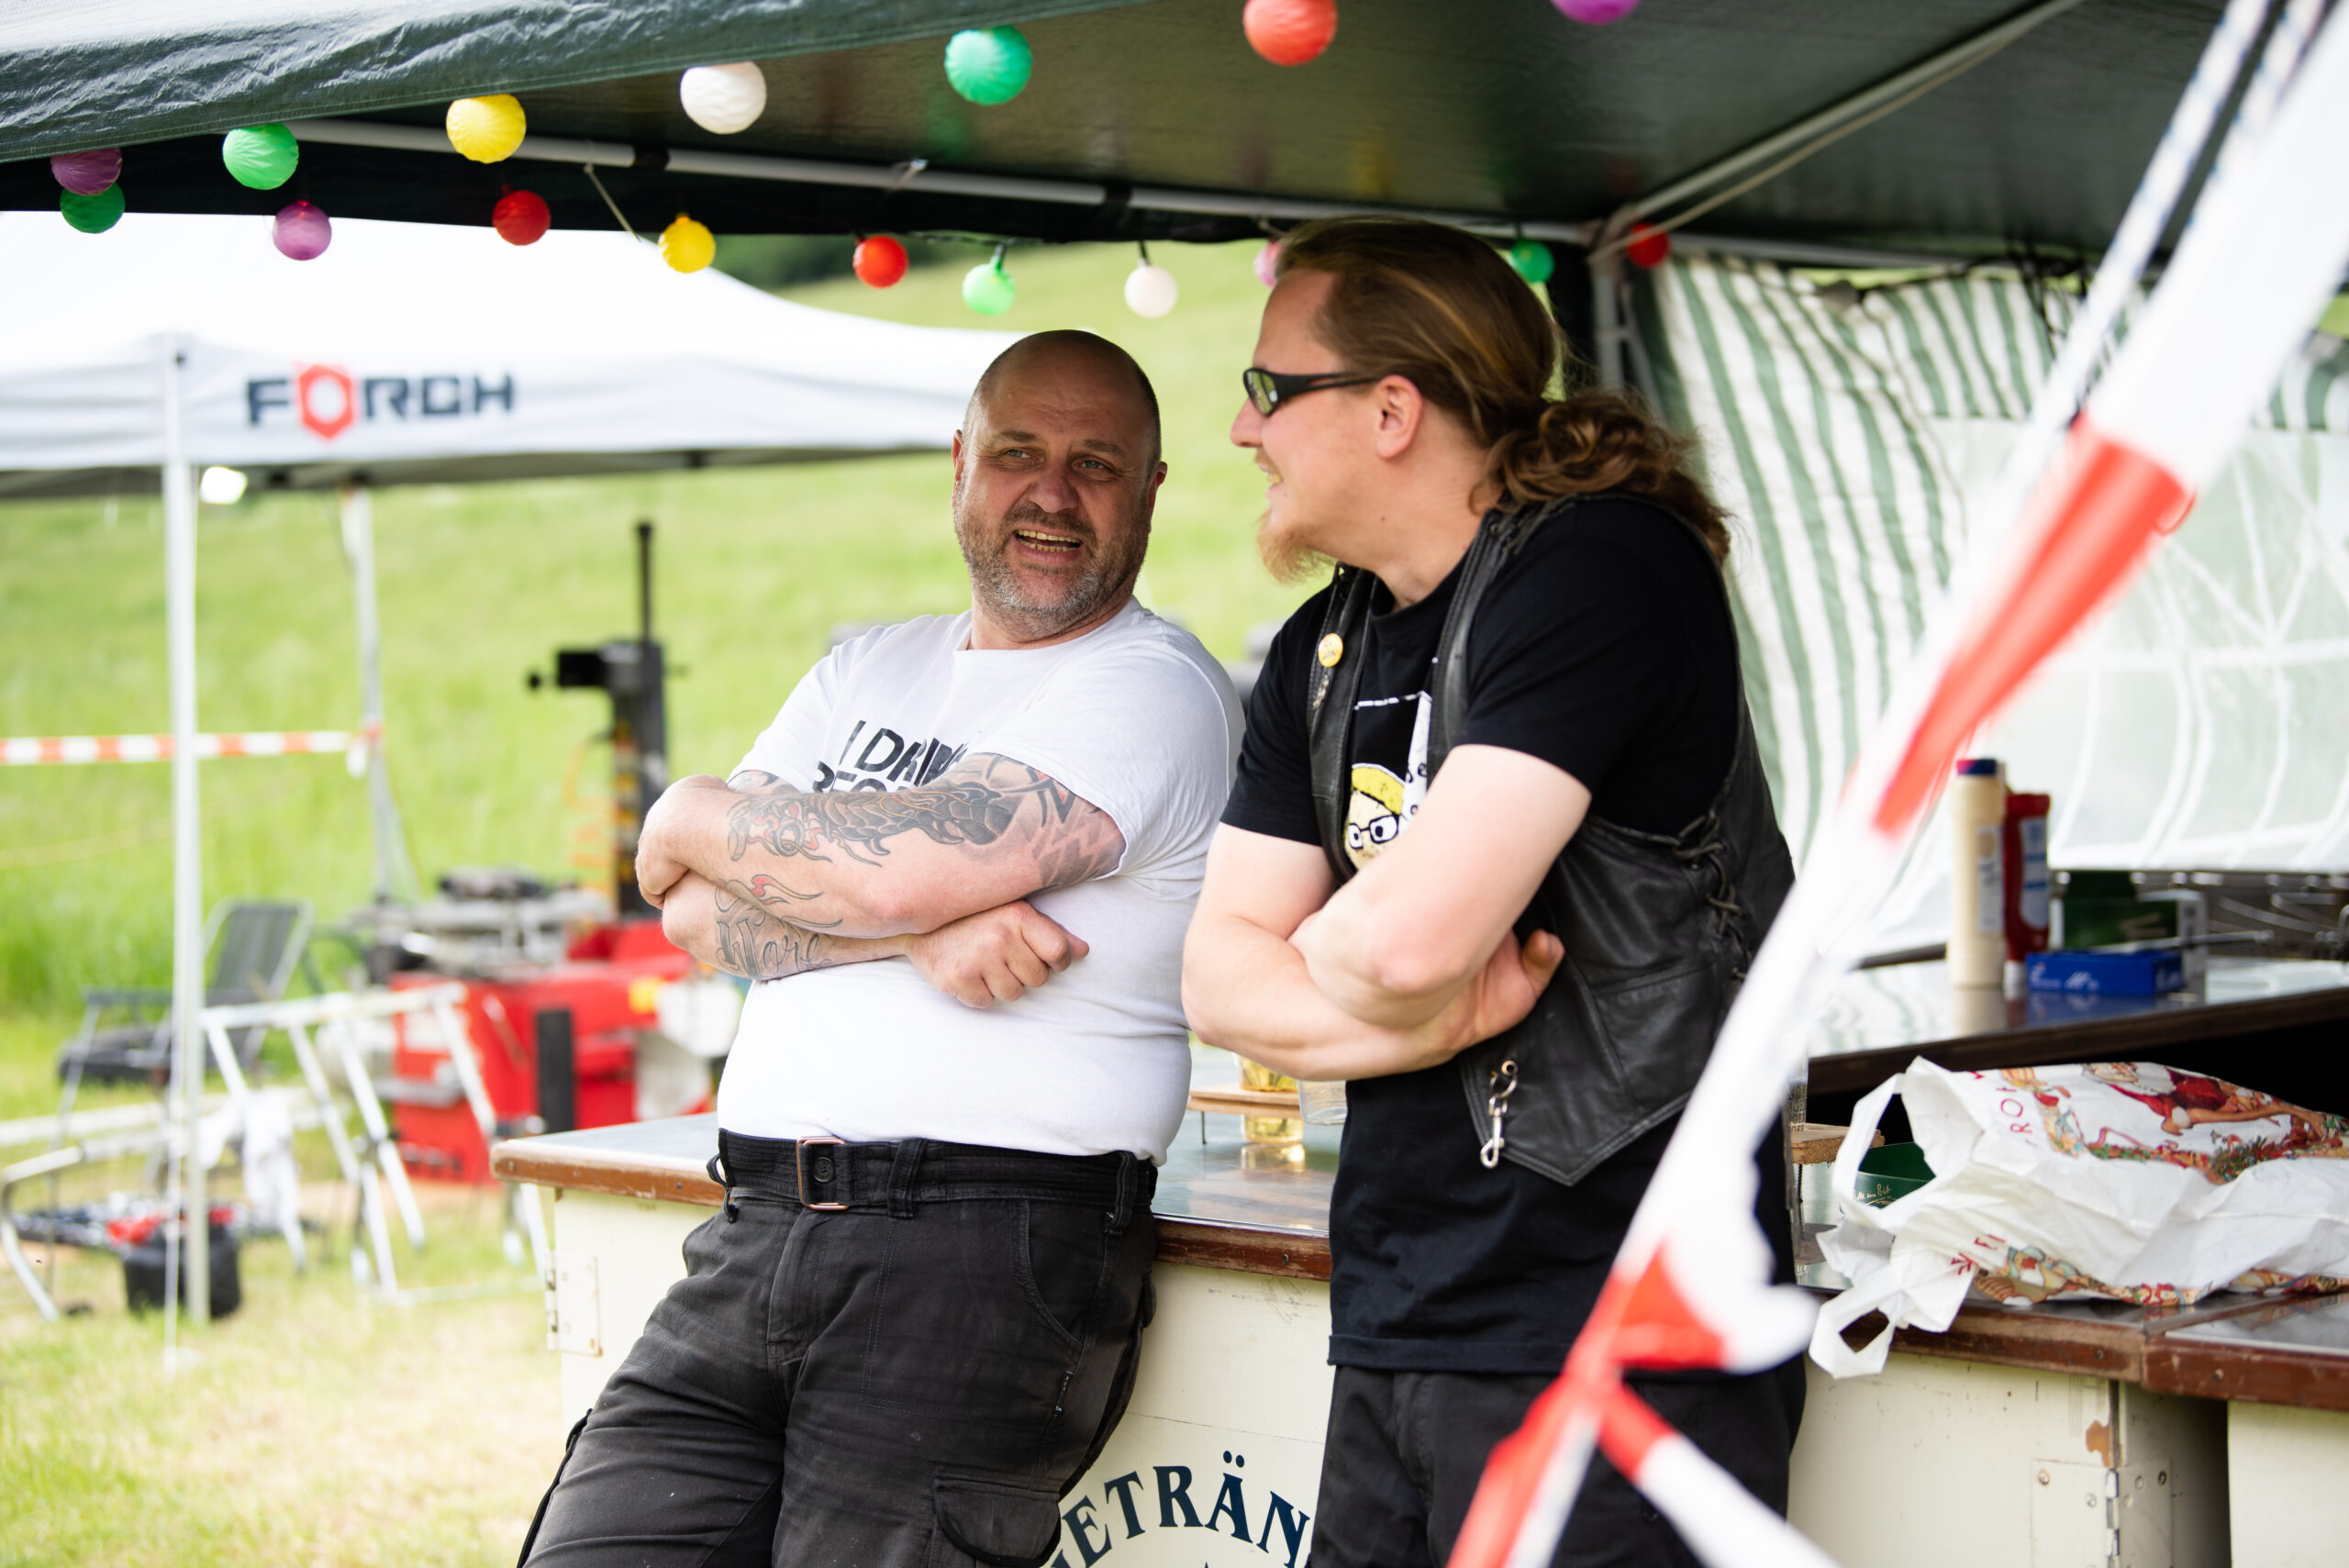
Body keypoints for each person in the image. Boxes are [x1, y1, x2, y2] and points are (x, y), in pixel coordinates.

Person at [520, 329, 1241, 1567]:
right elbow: (691, 914)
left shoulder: (1154, 686)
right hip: (755, 1223)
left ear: (1153, 490)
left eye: (1096, 464)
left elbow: (876, 865)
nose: (1052, 494)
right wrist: (914, 936)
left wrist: (692, 810)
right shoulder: (867, 668)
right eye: (1017, 453)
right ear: (960, 463)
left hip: (981, 1249)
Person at [1182, 217, 1802, 1567]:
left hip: (1625, 1328)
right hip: (1399, 1312)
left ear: (1391, 409)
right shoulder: (1324, 642)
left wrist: (1356, 960)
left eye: (1269, 388)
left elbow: (1406, 944)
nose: (1241, 429)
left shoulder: (1600, 566)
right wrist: (1433, 1020)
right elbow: (1218, 982)